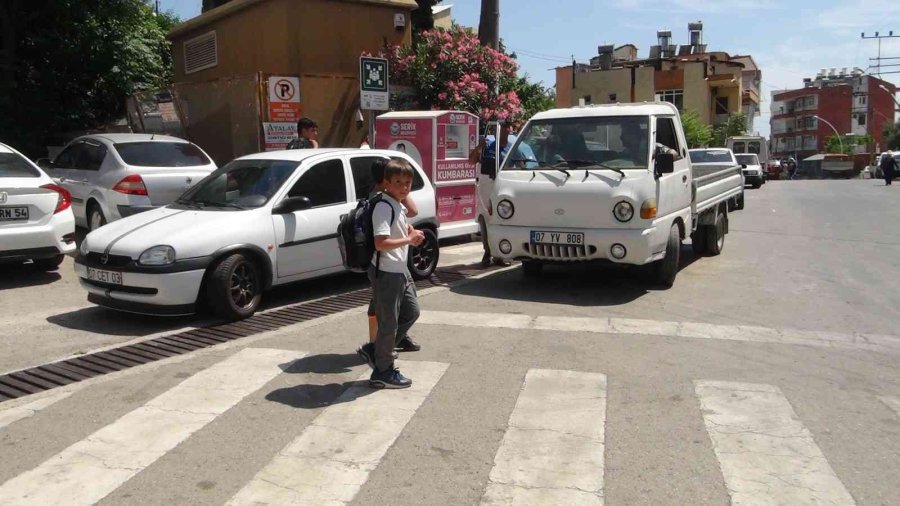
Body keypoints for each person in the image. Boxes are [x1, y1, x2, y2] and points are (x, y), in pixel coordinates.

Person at [365, 159, 425, 388]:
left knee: (411, 312)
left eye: (408, 182)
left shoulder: (397, 205)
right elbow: (380, 243)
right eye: (398, 182)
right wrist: (408, 239)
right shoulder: (383, 206)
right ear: (386, 183)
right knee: (388, 324)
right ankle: (383, 371)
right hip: (387, 272)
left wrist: (411, 232)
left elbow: (402, 224)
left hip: (399, 270)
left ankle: (376, 351)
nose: (404, 187)